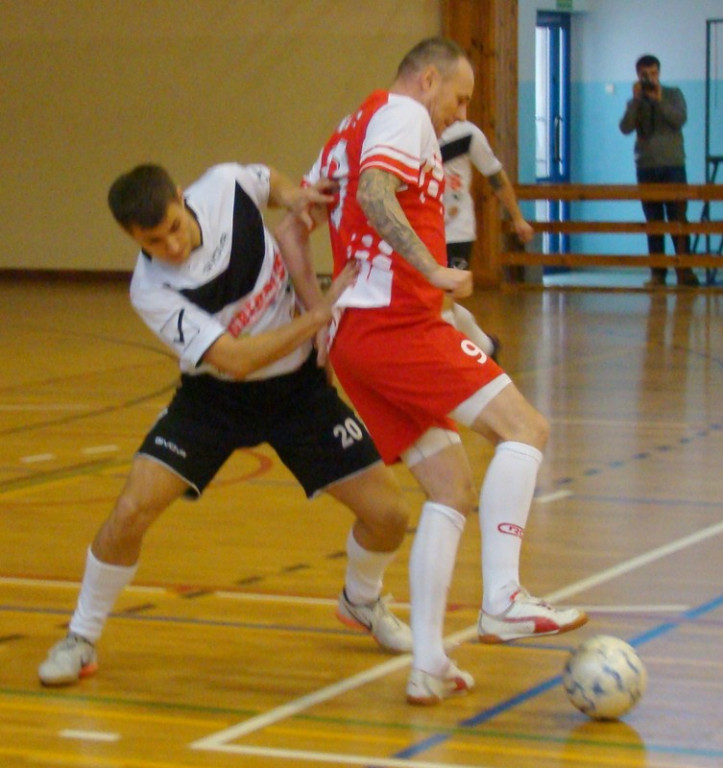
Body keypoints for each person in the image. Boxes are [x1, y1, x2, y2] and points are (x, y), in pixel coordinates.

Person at [275, 37, 587, 706]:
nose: (459, 111)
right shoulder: (403, 114)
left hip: (362, 336)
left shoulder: (344, 129)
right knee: (525, 429)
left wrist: (321, 315)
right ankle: (502, 596)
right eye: (460, 96)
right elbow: (373, 189)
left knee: (448, 490)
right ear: (425, 79)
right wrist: (431, 269)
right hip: (397, 323)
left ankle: (426, 663)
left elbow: (293, 229)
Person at [37, 161, 415, 687]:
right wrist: (320, 314)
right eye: (153, 240)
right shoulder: (151, 290)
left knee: (390, 514)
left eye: (173, 227)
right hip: (212, 401)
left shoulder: (224, 185)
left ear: (180, 196)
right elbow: (235, 359)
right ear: (132, 237)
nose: (170, 245)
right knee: (131, 509)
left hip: (298, 393)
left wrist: (295, 195)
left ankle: (361, 600)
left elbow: (269, 183)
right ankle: (80, 636)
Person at [439, 119, 535, 360]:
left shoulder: (467, 133)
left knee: (443, 303)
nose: (461, 112)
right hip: (423, 234)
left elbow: (496, 176)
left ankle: (452, 370)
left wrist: (517, 217)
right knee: (433, 304)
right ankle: (486, 347)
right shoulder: (415, 133)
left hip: (456, 233)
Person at [619, 54, 699, 288]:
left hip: (673, 166)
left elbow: (680, 119)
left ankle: (685, 272)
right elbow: (625, 127)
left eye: (653, 74)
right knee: (653, 222)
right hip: (646, 167)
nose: (650, 79)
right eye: (645, 75)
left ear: (659, 73)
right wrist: (636, 101)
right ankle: (658, 274)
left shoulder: (673, 94)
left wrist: (659, 99)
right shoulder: (635, 101)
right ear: (638, 76)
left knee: (678, 219)